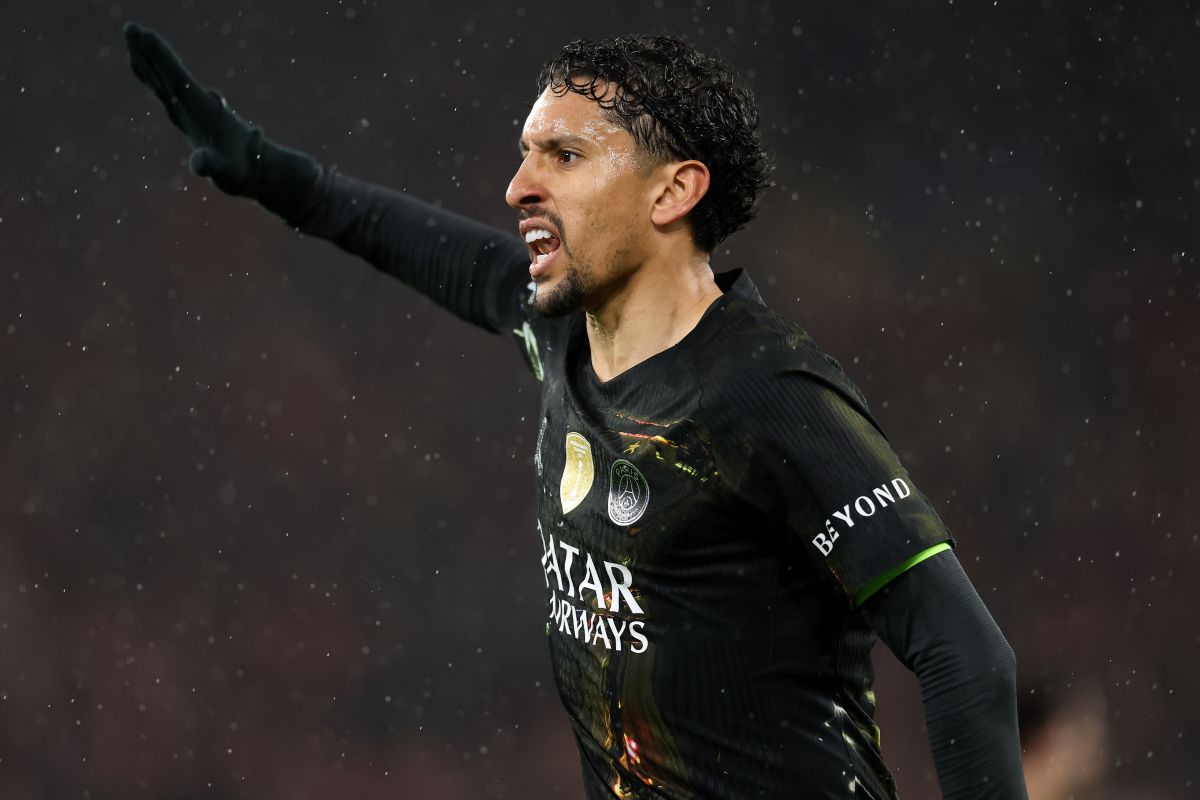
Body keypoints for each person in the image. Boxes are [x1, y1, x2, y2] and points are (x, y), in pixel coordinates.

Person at [123, 21, 1029, 799]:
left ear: (674, 191)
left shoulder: (766, 398)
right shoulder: (563, 332)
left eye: (563, 156)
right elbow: (440, 256)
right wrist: (282, 179)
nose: (519, 186)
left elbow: (965, 655)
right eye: (525, 153)